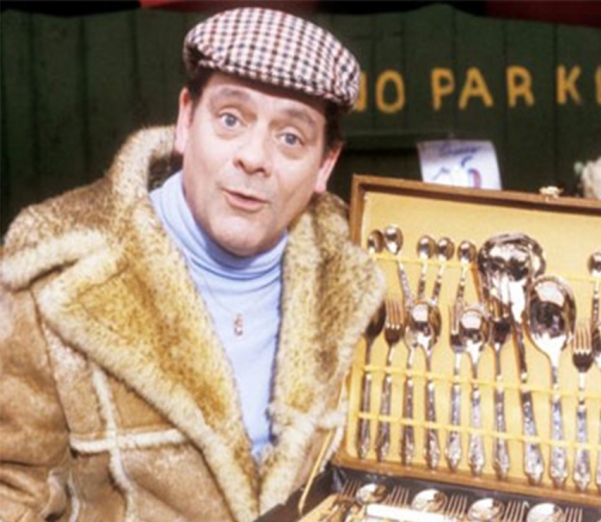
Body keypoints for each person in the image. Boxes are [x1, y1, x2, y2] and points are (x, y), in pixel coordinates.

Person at [0, 7, 384, 522]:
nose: (254, 157)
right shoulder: (53, 273)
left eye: (291, 137)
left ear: (325, 164)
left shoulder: (361, 284)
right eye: (231, 119)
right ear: (186, 120)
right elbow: (12, 491)